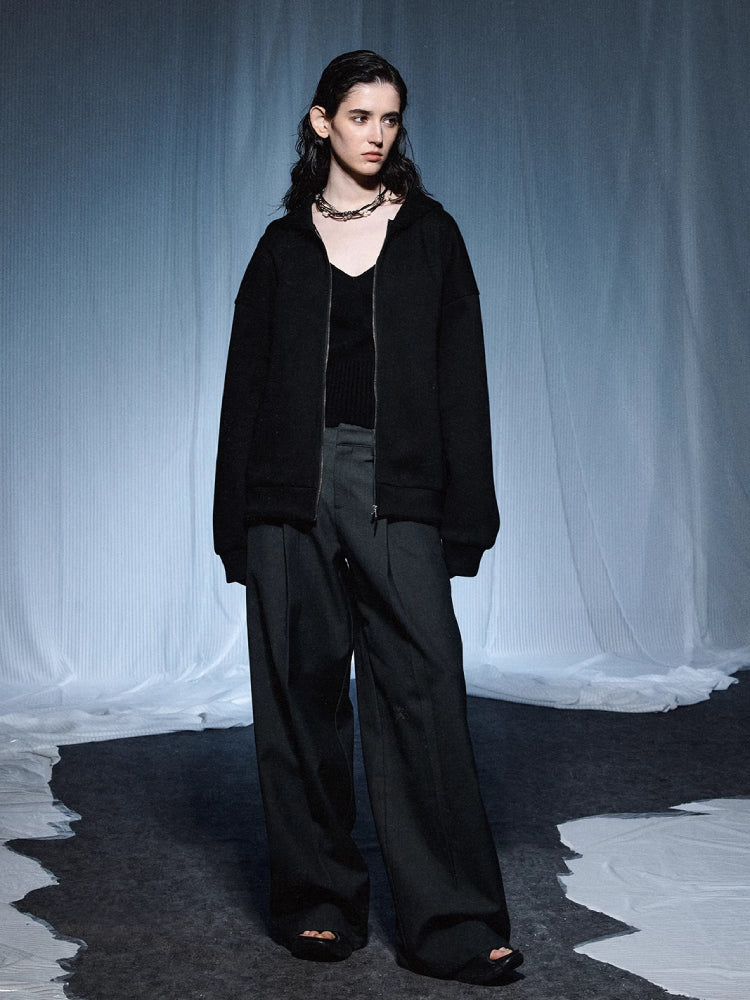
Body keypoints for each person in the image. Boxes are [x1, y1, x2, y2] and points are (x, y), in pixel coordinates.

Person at [213, 50, 522, 987]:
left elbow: (463, 382)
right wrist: (234, 522)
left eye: (390, 118)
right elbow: (243, 390)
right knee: (298, 694)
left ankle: (454, 922)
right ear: (322, 123)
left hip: (397, 482)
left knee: (424, 692)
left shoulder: (432, 236)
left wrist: (467, 516)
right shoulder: (281, 248)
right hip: (286, 487)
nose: (378, 134)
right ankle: (317, 900)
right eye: (360, 116)